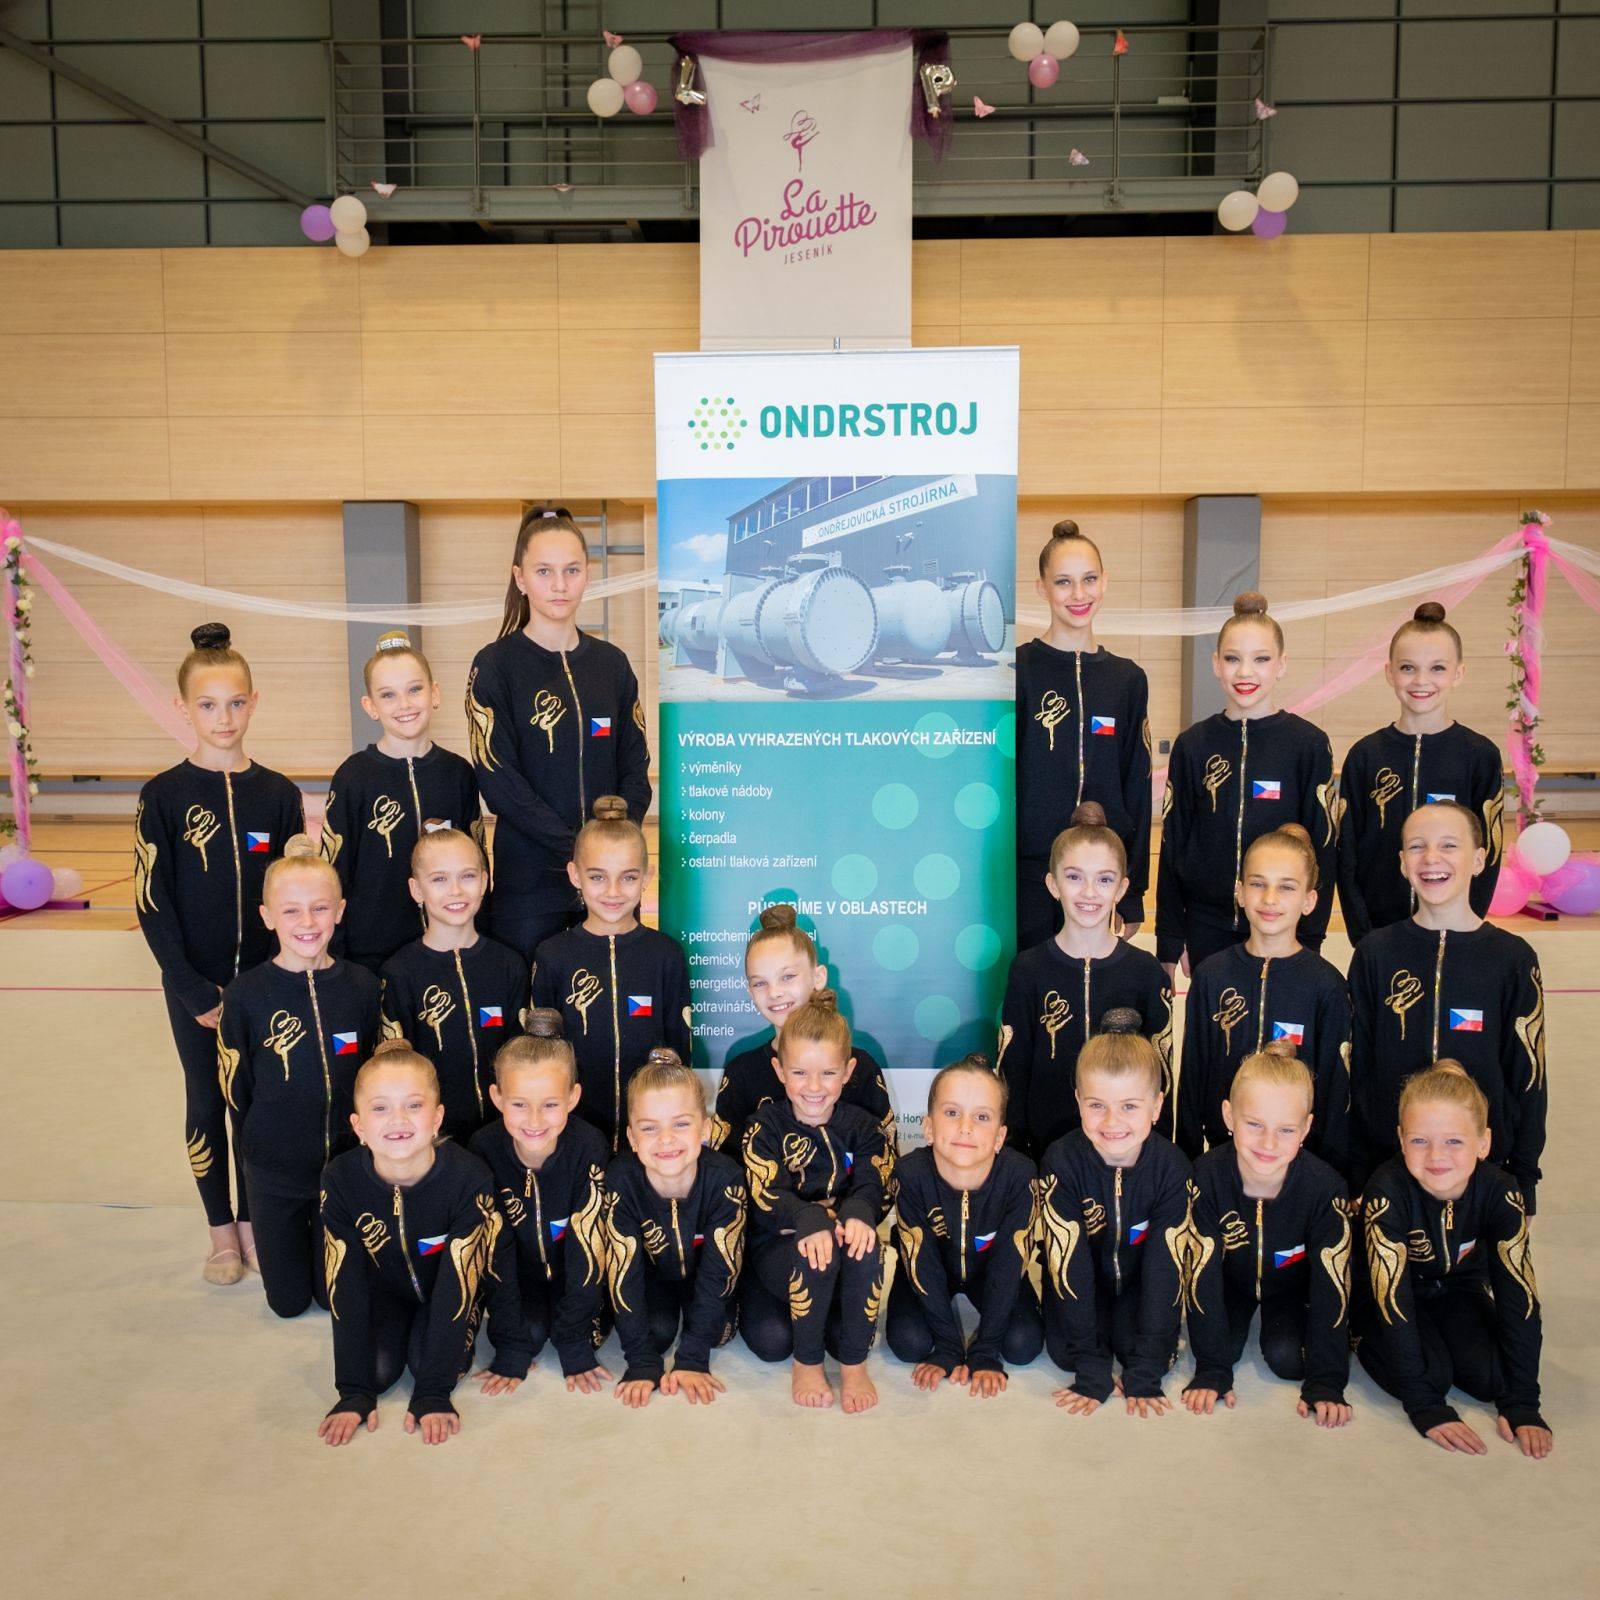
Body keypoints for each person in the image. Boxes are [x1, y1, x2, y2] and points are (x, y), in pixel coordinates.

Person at [134, 622, 304, 1284]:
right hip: (195, 987)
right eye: (208, 705)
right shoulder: (163, 796)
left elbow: (292, 894)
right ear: (183, 708)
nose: (223, 718)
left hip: (264, 984)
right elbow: (152, 902)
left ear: (254, 702)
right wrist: (191, 988)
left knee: (257, 1106)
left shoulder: (279, 794)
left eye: (235, 703)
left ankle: (257, 1224)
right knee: (206, 1101)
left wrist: (281, 975)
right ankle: (221, 1233)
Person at [466, 506, 651, 963]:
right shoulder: (494, 666)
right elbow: (498, 779)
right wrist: (577, 847)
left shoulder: (612, 665)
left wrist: (611, 847)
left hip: (608, 883)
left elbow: (635, 766)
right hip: (531, 886)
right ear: (520, 578)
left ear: (588, 574)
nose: (560, 585)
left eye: (571, 570)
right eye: (544, 571)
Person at [317, 1040, 524, 1447]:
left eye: (413, 1105)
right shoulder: (340, 1179)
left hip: (448, 1291)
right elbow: (346, 1282)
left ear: (437, 1117)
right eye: (380, 1108)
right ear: (358, 1126)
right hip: (386, 1290)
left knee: (428, 1364)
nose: (398, 1120)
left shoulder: (468, 1178)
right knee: (376, 1373)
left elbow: (463, 1280)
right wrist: (353, 1390)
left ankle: (427, 1357)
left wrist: (433, 1391)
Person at [1347, 802, 1545, 1208]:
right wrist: (1357, 1172)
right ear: (1402, 863)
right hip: (1387, 1170)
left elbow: (1529, 1077)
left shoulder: (1512, 959)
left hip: (1481, 1173)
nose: (1431, 858)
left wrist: (1524, 1178)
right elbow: (1357, 1067)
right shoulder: (1375, 953)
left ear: (1479, 859)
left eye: (1449, 845)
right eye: (1417, 846)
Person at [217, 838, 381, 1317]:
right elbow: (237, 1091)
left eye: (319, 908)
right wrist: (256, 1154)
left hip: (344, 1173)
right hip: (275, 1173)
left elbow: (374, 1071)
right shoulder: (245, 996)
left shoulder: (362, 987)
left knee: (334, 1299)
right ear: (267, 916)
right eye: (291, 911)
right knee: (286, 1304)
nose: (307, 923)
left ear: (340, 911)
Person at [1356, 1063, 1551, 1458]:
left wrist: (1522, 1401)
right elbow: (1392, 1300)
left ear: (1484, 1142)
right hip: (1385, 1297)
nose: (1436, 1156)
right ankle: (1357, 1331)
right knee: (1432, 1376)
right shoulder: (1386, 1191)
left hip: (1458, 1287)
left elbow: (1519, 1295)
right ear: (1400, 1139)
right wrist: (1424, 1404)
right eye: (1419, 1140)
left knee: (1494, 1378)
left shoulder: (1501, 1192)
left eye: (1454, 1142)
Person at [1156, 591, 1337, 980]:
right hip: (1207, 929)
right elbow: (1173, 844)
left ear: (1281, 664)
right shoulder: (1193, 745)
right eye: (1233, 659)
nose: (1245, 673)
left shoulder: (1308, 745)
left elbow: (1323, 849)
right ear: (1216, 664)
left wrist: (1311, 937)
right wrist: (1170, 938)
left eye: (1261, 659)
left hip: (1284, 930)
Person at [1180, 1043, 1353, 1427]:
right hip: (1231, 1282)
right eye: (1254, 1124)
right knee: (1219, 1348)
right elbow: (1201, 1275)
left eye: (1285, 1130)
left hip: (1293, 1288)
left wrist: (1326, 1381)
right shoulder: (1205, 1177)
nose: (1268, 1144)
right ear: (1229, 1115)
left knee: (1287, 1358)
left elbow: (1332, 1284)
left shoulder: (1325, 1188)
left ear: (1306, 1128)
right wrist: (1211, 1369)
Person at [739, 989, 895, 1413]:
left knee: (867, 1245)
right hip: (780, 1248)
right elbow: (765, 1192)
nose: (813, 1087)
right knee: (815, 1251)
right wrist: (809, 1217)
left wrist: (859, 1212)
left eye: (827, 1073)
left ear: (848, 1072)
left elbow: (876, 1180)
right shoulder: (763, 1128)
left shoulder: (864, 1127)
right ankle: (807, 1363)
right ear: (779, 1070)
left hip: (842, 1242)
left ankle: (854, 1365)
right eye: (799, 1073)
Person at [1037, 1009, 1193, 1418]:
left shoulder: (1172, 1168)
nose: (1112, 1122)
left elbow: (1165, 1269)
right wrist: (1091, 1366)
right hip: (1085, 1278)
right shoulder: (1060, 1161)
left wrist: (1146, 1371)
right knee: (1066, 1353)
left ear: (1157, 1106)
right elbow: (1068, 1263)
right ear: (1078, 1100)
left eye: (1129, 1106)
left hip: (1141, 1281)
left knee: (1137, 1347)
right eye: (1097, 1105)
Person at [1171, 824, 1350, 1176]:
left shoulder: (1327, 985)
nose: (1270, 899)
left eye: (1286, 887)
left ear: (1309, 900)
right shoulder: (1211, 976)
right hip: (1220, 1159)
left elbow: (1335, 1089)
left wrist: (1330, 1175)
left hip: (1299, 1163)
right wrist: (1188, 1164)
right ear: (1239, 892)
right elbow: (1191, 1076)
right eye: (1258, 884)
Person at [998, 802, 1171, 1159]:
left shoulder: (1147, 973)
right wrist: (1016, 1157)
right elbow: (1012, 1072)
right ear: (1053, 884)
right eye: (1075, 877)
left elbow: (1162, 1077)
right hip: (1043, 1153)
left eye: (1104, 879)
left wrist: (1157, 1155)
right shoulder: (1027, 970)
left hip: (1125, 1152)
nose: (1089, 892)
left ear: (1121, 888)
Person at [1016, 521, 1152, 947]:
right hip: (1027, 877)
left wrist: (1134, 889)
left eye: (1089, 579)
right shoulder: (1017, 672)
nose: (1079, 594)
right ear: (1041, 588)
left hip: (1099, 878)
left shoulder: (1127, 680)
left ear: (1105, 581)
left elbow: (1137, 785)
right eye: (1063, 582)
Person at [530, 796, 692, 1151]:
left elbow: (680, 1052)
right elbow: (540, 1057)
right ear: (575, 875)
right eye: (597, 877)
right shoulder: (552, 955)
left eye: (628, 877)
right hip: (572, 1139)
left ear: (647, 877)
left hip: (650, 1140)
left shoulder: (666, 955)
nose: (614, 892)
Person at [1337, 602, 1505, 944]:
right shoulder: (1365, 755)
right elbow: (1346, 852)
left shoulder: (1480, 756)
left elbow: (1489, 851)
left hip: (1455, 930)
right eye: (1408, 668)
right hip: (1376, 932)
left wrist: (1468, 922)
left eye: (1437, 668)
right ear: (1390, 673)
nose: (1421, 680)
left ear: (1458, 673)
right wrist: (1362, 933)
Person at [320, 629, 484, 974]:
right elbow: (332, 873)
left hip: (446, 948)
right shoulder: (353, 777)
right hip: (370, 955)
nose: (405, 705)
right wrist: (336, 958)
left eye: (414, 689)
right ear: (370, 707)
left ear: (434, 693)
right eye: (388, 695)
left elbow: (477, 862)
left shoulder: (458, 773)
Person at [469, 1011, 613, 1396]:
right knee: (527, 1336)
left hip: (575, 1274)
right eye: (519, 1104)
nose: (534, 1120)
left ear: (572, 1097)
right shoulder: (483, 1149)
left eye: (550, 1104)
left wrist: (574, 1342)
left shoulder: (589, 1146)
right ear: (497, 1097)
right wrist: (511, 1344)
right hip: (521, 1276)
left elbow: (589, 1245)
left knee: (596, 1335)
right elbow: (495, 1251)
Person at [888, 1054, 1042, 1395]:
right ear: (928, 1127)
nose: (965, 1127)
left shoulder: (1019, 1176)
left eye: (982, 1117)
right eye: (952, 1112)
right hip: (930, 1269)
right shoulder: (910, 1175)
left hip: (991, 1272)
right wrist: (947, 1344)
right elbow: (922, 1261)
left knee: (1022, 1344)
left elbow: (1009, 1263)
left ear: (1000, 1136)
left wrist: (986, 1349)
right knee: (909, 1343)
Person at [603, 1049, 746, 1409]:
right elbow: (623, 1272)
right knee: (656, 1334)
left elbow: (720, 1270)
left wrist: (693, 1358)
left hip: (706, 1275)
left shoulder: (725, 1178)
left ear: (705, 1128)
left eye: (681, 1124)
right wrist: (640, 1360)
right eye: (649, 1128)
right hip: (653, 1275)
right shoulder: (621, 1180)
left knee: (727, 1333)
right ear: (632, 1137)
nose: (666, 1139)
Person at [379, 828, 529, 1143]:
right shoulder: (398, 973)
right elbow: (397, 1070)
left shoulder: (509, 965)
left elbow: (522, 1057)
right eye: (439, 879)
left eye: (467, 876)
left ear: (485, 882)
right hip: (433, 1141)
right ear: (416, 890)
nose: (456, 891)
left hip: (503, 1137)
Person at [711, 902, 894, 1155]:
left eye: (787, 977)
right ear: (750, 993)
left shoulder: (861, 1068)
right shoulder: (741, 1074)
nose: (775, 992)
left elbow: (884, 1161)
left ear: (818, 977)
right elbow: (725, 1167)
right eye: (760, 983)